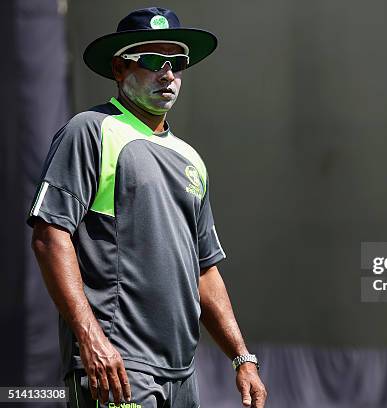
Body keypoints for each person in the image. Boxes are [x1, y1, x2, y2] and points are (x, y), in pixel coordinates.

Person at [27, 7, 267, 408]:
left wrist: (242, 358)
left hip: (183, 374)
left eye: (176, 63)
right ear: (120, 70)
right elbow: (50, 236)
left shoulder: (190, 158)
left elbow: (204, 268)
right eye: (153, 61)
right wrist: (91, 338)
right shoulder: (89, 130)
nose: (168, 74)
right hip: (117, 367)